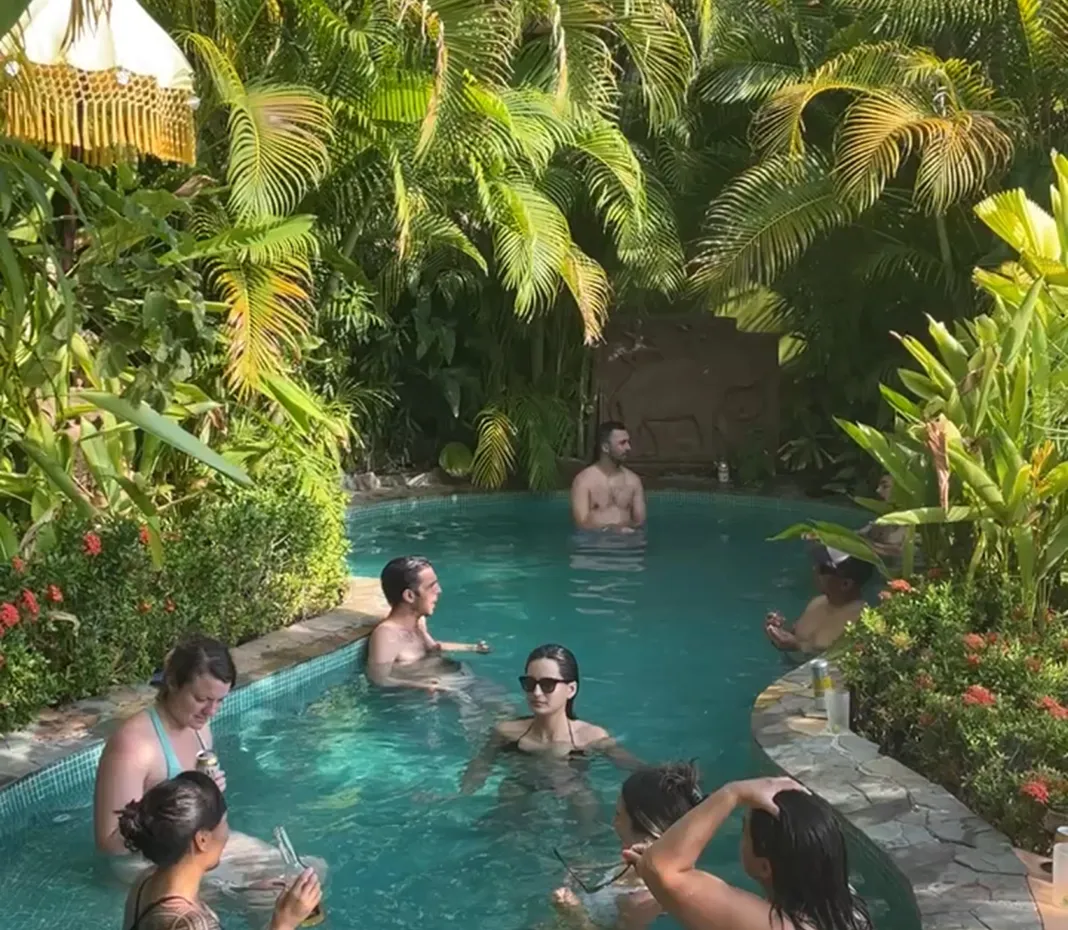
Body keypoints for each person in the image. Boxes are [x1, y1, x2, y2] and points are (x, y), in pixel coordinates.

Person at [95, 636, 326, 917]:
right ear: (172, 683)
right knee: (267, 899)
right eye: (202, 699)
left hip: (198, 842)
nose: (211, 711)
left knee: (309, 874)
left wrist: (206, 793)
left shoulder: (200, 728)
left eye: (219, 700)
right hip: (150, 858)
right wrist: (183, 800)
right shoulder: (134, 745)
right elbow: (109, 840)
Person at [621, 776, 872, 930]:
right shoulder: (847, 905)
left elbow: (663, 870)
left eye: (744, 832)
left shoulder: (777, 926)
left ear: (765, 867)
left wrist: (734, 793)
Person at [118, 770, 321, 930]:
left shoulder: (146, 880)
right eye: (224, 823)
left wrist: (239, 890)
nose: (226, 834)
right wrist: (283, 923)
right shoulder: (193, 925)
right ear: (202, 839)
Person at [461, 644, 636, 802]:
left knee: (583, 798)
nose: (536, 693)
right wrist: (460, 798)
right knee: (511, 791)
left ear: (571, 689)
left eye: (547, 684)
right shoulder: (506, 733)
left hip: (572, 795)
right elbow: (477, 770)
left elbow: (636, 769)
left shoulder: (591, 738)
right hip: (518, 793)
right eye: (530, 683)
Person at [550, 762, 705, 930]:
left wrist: (576, 917)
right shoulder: (639, 861)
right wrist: (586, 869)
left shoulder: (642, 899)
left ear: (645, 827)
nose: (613, 822)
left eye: (618, 814)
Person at [366, 556, 491, 693]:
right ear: (409, 596)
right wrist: (425, 686)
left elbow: (433, 648)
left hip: (454, 682)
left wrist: (472, 647)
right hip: (434, 694)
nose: (439, 591)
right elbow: (378, 679)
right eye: (432, 586)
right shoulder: (387, 634)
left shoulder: (418, 622)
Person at [765, 548, 873, 654]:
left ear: (845, 584)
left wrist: (797, 647)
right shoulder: (817, 602)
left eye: (823, 568)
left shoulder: (860, 619)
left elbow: (841, 660)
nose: (814, 569)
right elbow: (795, 635)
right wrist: (778, 630)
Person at [571, 422, 647, 533]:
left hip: (626, 542)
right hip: (593, 542)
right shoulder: (584, 481)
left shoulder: (633, 481)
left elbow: (639, 522)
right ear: (605, 447)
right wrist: (613, 530)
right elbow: (581, 524)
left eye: (628, 442)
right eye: (622, 443)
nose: (628, 447)